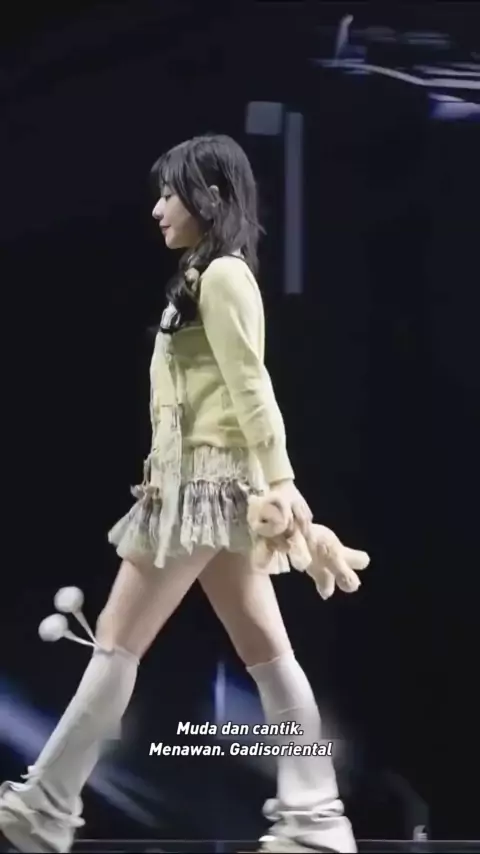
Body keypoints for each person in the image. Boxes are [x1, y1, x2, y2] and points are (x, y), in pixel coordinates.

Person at [0, 134, 357, 853]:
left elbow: (251, 384)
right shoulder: (203, 276)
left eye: (171, 194)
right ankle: (316, 818)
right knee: (267, 654)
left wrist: (282, 481)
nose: (159, 208)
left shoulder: (224, 276)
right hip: (200, 486)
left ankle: (45, 807)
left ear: (210, 197)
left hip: (204, 489)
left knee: (116, 643)